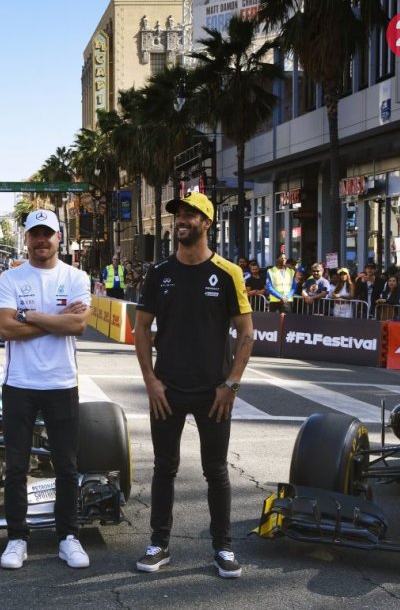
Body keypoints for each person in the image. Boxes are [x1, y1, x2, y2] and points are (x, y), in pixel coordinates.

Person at [133, 192, 254, 579]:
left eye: (190, 214)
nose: (181, 220)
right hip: (166, 389)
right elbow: (140, 329)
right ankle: (158, 544)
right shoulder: (159, 273)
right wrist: (151, 381)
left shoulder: (228, 273)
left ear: (207, 224)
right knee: (164, 468)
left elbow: (246, 333)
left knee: (216, 470)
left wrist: (231, 384)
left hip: (213, 392)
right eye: (179, 215)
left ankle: (223, 547)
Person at [0, 209, 91, 571]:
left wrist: (30, 315)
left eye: (47, 234)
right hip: (19, 384)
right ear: (26, 238)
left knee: (66, 466)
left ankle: (68, 537)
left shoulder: (76, 276)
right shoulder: (10, 278)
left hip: (61, 383)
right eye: (34, 234)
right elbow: (6, 329)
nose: (41, 240)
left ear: (58, 237)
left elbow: (78, 326)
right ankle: (17, 538)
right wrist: (57, 321)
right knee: (16, 467)